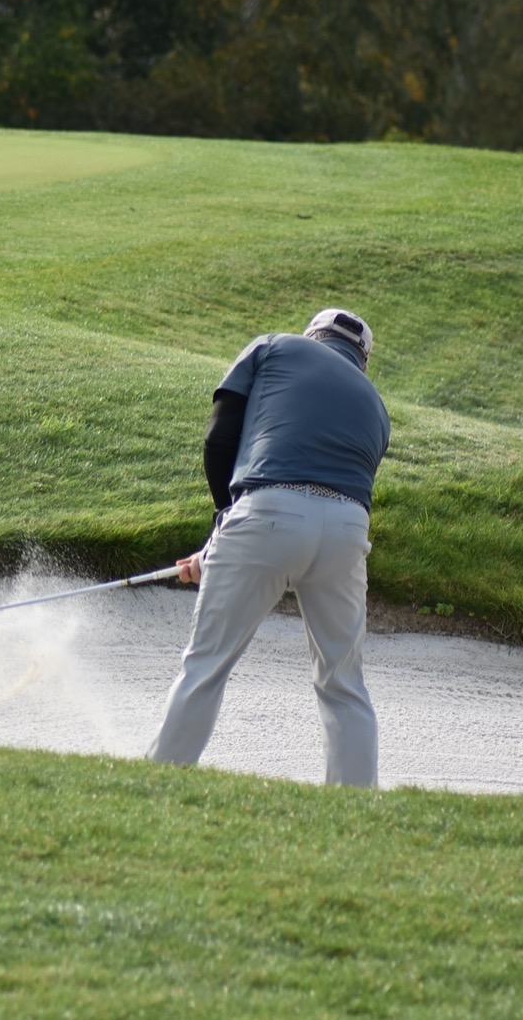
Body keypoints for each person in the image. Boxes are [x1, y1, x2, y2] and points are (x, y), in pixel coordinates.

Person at [148, 308, 390, 787]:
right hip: (347, 531)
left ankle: (158, 783)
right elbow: (327, 498)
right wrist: (222, 545)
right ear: (362, 360)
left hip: (268, 512)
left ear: (312, 336)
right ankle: (355, 806)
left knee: (206, 665)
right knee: (343, 683)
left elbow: (220, 438)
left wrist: (220, 536)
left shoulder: (273, 346)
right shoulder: (377, 406)